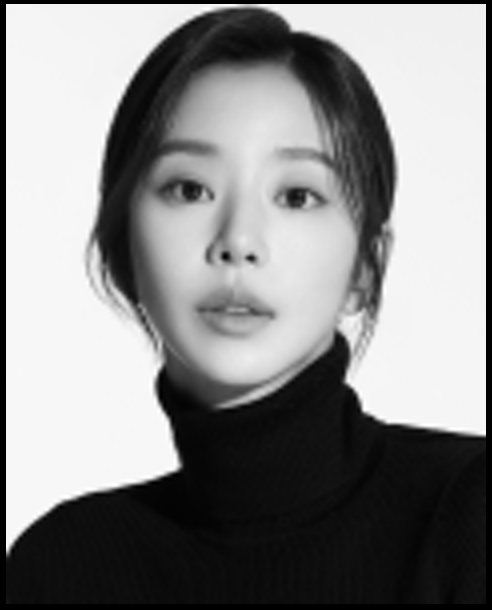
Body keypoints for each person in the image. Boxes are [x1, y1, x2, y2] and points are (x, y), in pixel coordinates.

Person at [6, 7, 485, 604]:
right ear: (123, 240)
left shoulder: (466, 513)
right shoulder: (64, 566)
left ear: (366, 264)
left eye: (297, 195)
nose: (237, 240)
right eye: (189, 189)